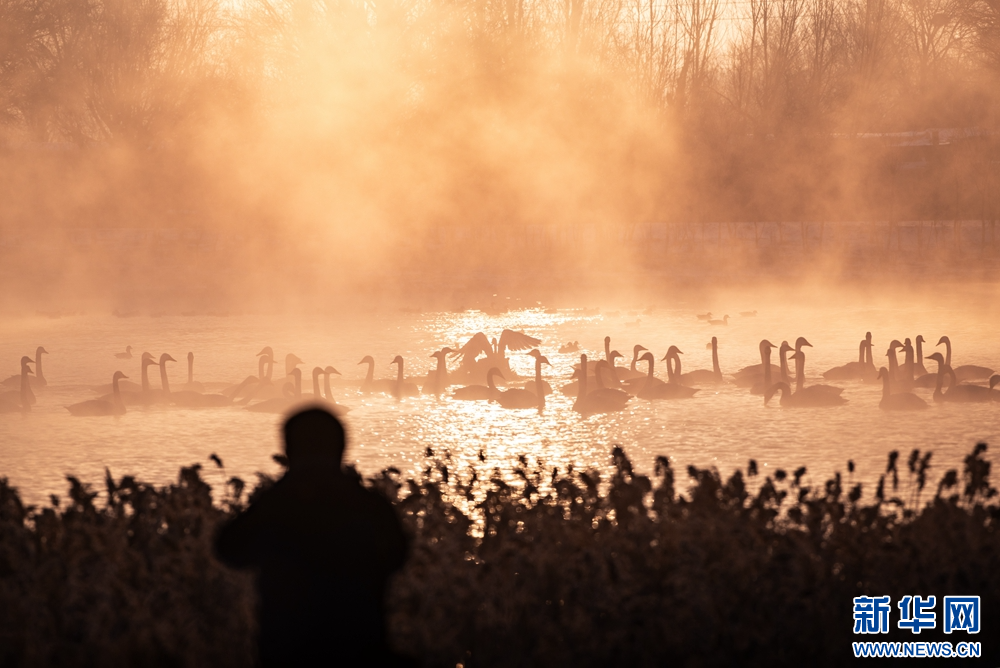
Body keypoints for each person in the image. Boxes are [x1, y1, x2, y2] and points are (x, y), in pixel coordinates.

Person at [215, 408, 409, 667]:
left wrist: (279, 491)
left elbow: (229, 549)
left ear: (289, 451)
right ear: (341, 449)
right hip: (360, 650)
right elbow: (398, 556)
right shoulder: (369, 505)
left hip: (288, 652)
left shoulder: (277, 505)